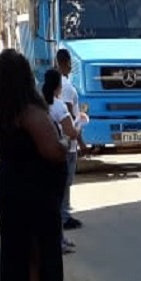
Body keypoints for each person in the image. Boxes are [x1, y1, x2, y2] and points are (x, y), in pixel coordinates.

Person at [0, 49, 69, 281]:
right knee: (36, 258)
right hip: (33, 190)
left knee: (14, 257)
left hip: (8, 185)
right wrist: (63, 142)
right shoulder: (31, 113)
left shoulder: (1, 111)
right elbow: (51, 151)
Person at [42, 68, 80, 255]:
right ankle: (58, 240)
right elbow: (71, 132)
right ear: (58, 86)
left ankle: (58, 238)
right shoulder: (58, 106)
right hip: (61, 153)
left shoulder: (40, 104)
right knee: (60, 199)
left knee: (51, 201)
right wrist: (80, 126)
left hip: (44, 155)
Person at [55, 48, 83, 231]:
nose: (71, 66)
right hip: (68, 142)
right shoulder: (65, 86)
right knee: (65, 180)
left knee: (66, 180)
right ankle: (63, 216)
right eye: (69, 63)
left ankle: (64, 212)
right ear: (63, 63)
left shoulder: (63, 84)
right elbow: (67, 114)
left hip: (68, 140)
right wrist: (80, 140)